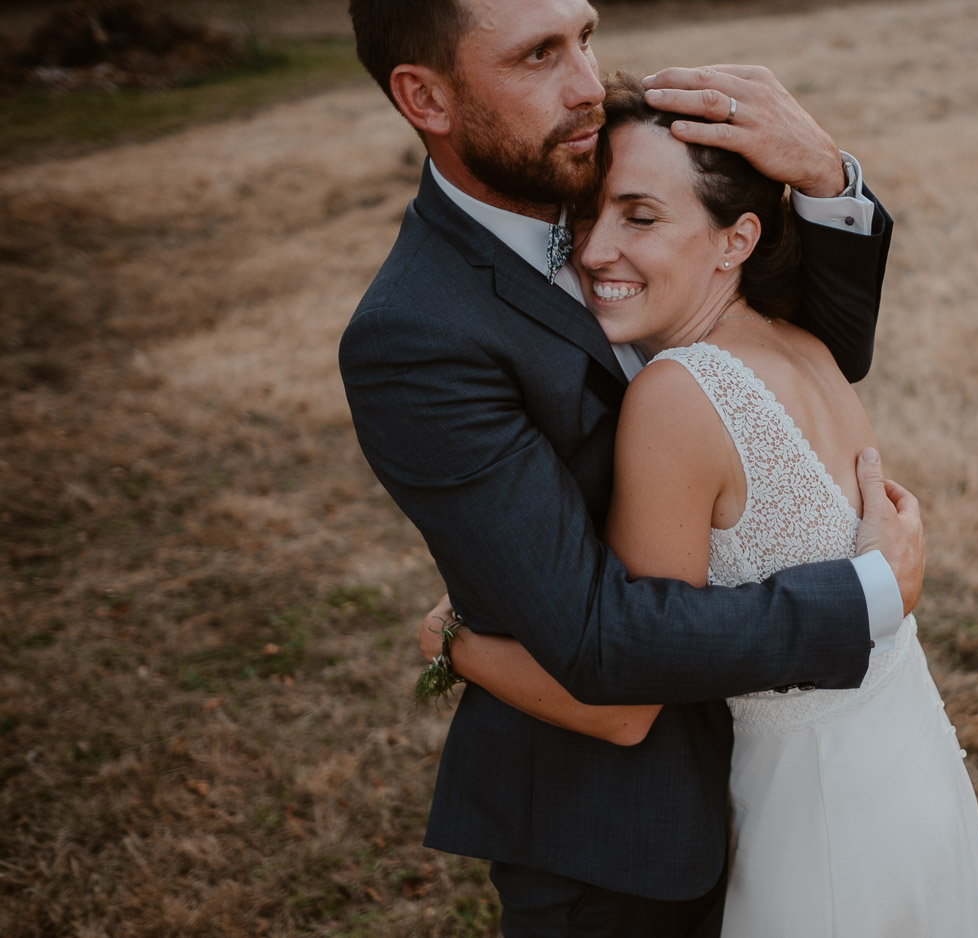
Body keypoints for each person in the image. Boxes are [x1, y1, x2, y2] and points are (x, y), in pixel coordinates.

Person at [339, 1, 922, 936]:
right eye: (537, 55)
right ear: (426, 97)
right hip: (613, 838)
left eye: (584, 35)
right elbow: (598, 647)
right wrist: (868, 597)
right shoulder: (415, 337)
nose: (586, 85)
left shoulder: (618, 169)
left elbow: (796, 359)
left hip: (778, 783)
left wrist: (824, 175)